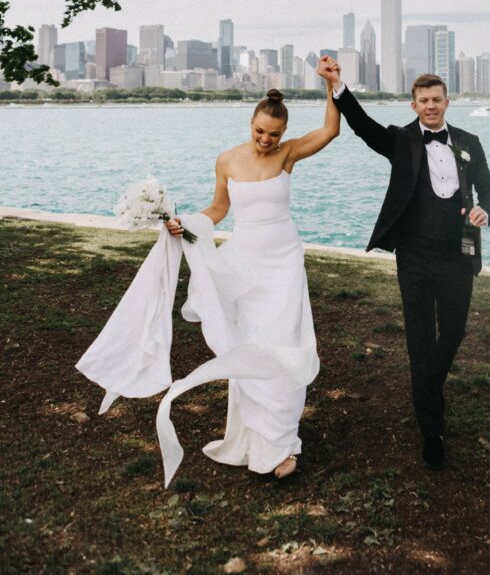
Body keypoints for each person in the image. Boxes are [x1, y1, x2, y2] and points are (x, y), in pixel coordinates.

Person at [77, 87, 340, 484]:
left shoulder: (288, 154)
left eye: (274, 134)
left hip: (284, 261)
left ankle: (282, 444)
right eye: (260, 131)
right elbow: (218, 209)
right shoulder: (227, 160)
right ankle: (252, 439)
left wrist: (330, 87)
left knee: (283, 346)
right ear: (250, 124)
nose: (266, 140)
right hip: (246, 264)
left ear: (284, 133)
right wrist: (185, 223)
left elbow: (331, 130)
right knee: (249, 346)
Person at [317, 57, 490, 470]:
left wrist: (485, 210)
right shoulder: (402, 140)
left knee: (453, 331)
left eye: (437, 99)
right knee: (419, 340)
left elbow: (488, 188)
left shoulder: (469, 141)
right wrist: (337, 86)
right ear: (413, 105)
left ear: (447, 102)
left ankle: (426, 386)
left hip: (459, 253)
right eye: (423, 100)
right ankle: (431, 431)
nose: (431, 106)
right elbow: (363, 127)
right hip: (414, 256)